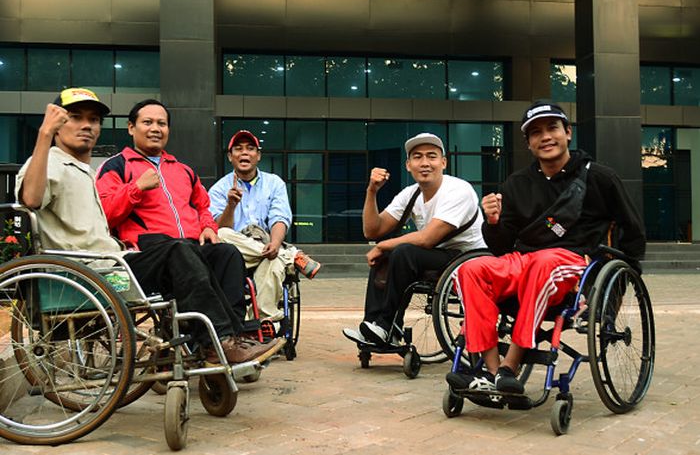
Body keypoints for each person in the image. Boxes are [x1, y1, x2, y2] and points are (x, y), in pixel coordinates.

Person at [13, 92, 276, 365]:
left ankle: (233, 337)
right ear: (131, 128)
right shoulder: (76, 165)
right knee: (179, 250)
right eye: (75, 118)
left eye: (93, 119)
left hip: (120, 260)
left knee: (226, 253)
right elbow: (31, 199)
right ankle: (218, 341)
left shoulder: (90, 171)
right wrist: (135, 189)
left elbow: (202, 206)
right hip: (99, 267)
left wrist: (209, 226)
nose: (86, 126)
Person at [449, 100, 646, 394]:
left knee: (544, 262)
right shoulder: (517, 183)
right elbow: (502, 246)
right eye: (535, 132)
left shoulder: (600, 178)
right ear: (528, 143)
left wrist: (619, 280)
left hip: (573, 263)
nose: (546, 137)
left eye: (552, 128)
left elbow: (632, 231)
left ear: (568, 132)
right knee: (471, 269)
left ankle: (509, 366)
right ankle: (490, 372)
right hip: (523, 260)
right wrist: (491, 222)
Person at [342, 132, 487, 346]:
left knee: (401, 251)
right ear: (408, 165)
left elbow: (428, 238)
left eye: (432, 156)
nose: (425, 163)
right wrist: (372, 191)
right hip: (437, 256)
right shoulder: (411, 194)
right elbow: (372, 230)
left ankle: (387, 326)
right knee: (388, 256)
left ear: (444, 162)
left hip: (468, 258)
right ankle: (372, 325)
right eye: (418, 157)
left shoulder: (458, 190)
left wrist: (382, 246)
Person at [208, 130, 321, 321]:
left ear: (258, 156)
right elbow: (219, 230)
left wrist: (275, 245)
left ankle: (262, 324)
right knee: (224, 234)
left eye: (250, 149)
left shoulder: (274, 183)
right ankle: (291, 256)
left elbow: (280, 217)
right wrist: (231, 205)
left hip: (267, 246)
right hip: (235, 254)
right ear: (230, 156)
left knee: (274, 263)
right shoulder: (220, 188)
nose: (244, 153)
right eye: (238, 149)